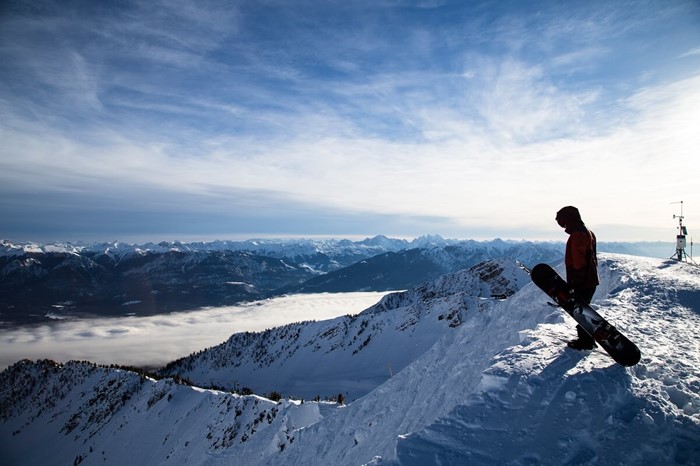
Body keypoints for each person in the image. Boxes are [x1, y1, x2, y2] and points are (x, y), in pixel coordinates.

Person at [555, 206, 599, 350]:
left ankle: (585, 341)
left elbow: (578, 261)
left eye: (563, 222)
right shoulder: (588, 232)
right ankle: (588, 338)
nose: (563, 226)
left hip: (583, 280)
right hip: (590, 279)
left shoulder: (577, 235)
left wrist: (575, 283)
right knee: (583, 309)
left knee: (580, 310)